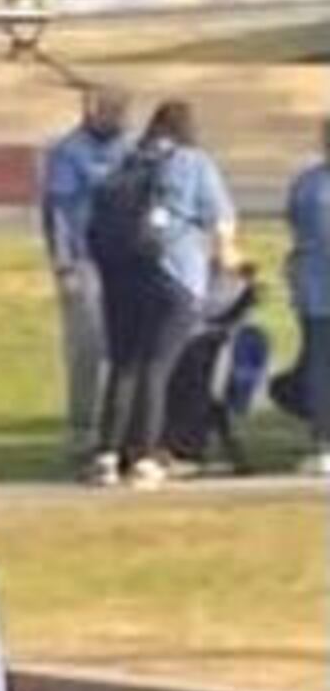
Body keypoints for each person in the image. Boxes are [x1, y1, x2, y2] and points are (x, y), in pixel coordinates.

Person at [88, 100, 240, 488]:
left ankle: (107, 455)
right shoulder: (194, 163)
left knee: (123, 365)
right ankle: (144, 456)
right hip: (174, 275)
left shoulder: (126, 160)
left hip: (121, 275)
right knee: (156, 367)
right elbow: (221, 222)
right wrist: (230, 265)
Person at [37, 89, 130, 462]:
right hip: (84, 261)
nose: (117, 118)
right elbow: (58, 212)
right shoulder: (68, 152)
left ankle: (120, 429)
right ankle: (82, 429)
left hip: (128, 263)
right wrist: (63, 263)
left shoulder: (131, 150)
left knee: (125, 350)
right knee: (86, 348)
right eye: (109, 111)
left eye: (121, 111)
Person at [282, 116, 330, 475]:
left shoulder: (306, 183)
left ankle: (324, 440)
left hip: (314, 289)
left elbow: (296, 230)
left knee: (320, 365)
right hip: (316, 285)